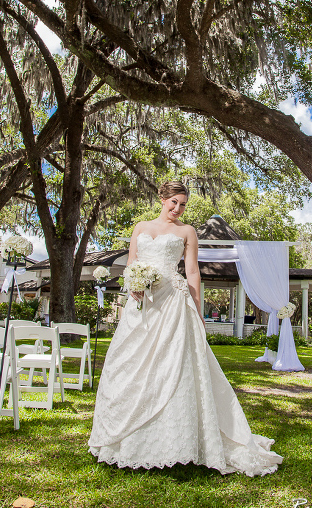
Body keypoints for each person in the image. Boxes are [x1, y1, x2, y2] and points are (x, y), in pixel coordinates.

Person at [89, 181, 283, 476]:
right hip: (142, 305)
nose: (178, 209)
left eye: (183, 205)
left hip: (172, 303)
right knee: (131, 365)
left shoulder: (186, 231)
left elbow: (192, 271)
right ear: (162, 199)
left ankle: (176, 442)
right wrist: (134, 286)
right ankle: (126, 440)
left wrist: (197, 309)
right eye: (174, 203)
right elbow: (132, 263)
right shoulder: (140, 227)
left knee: (173, 366)